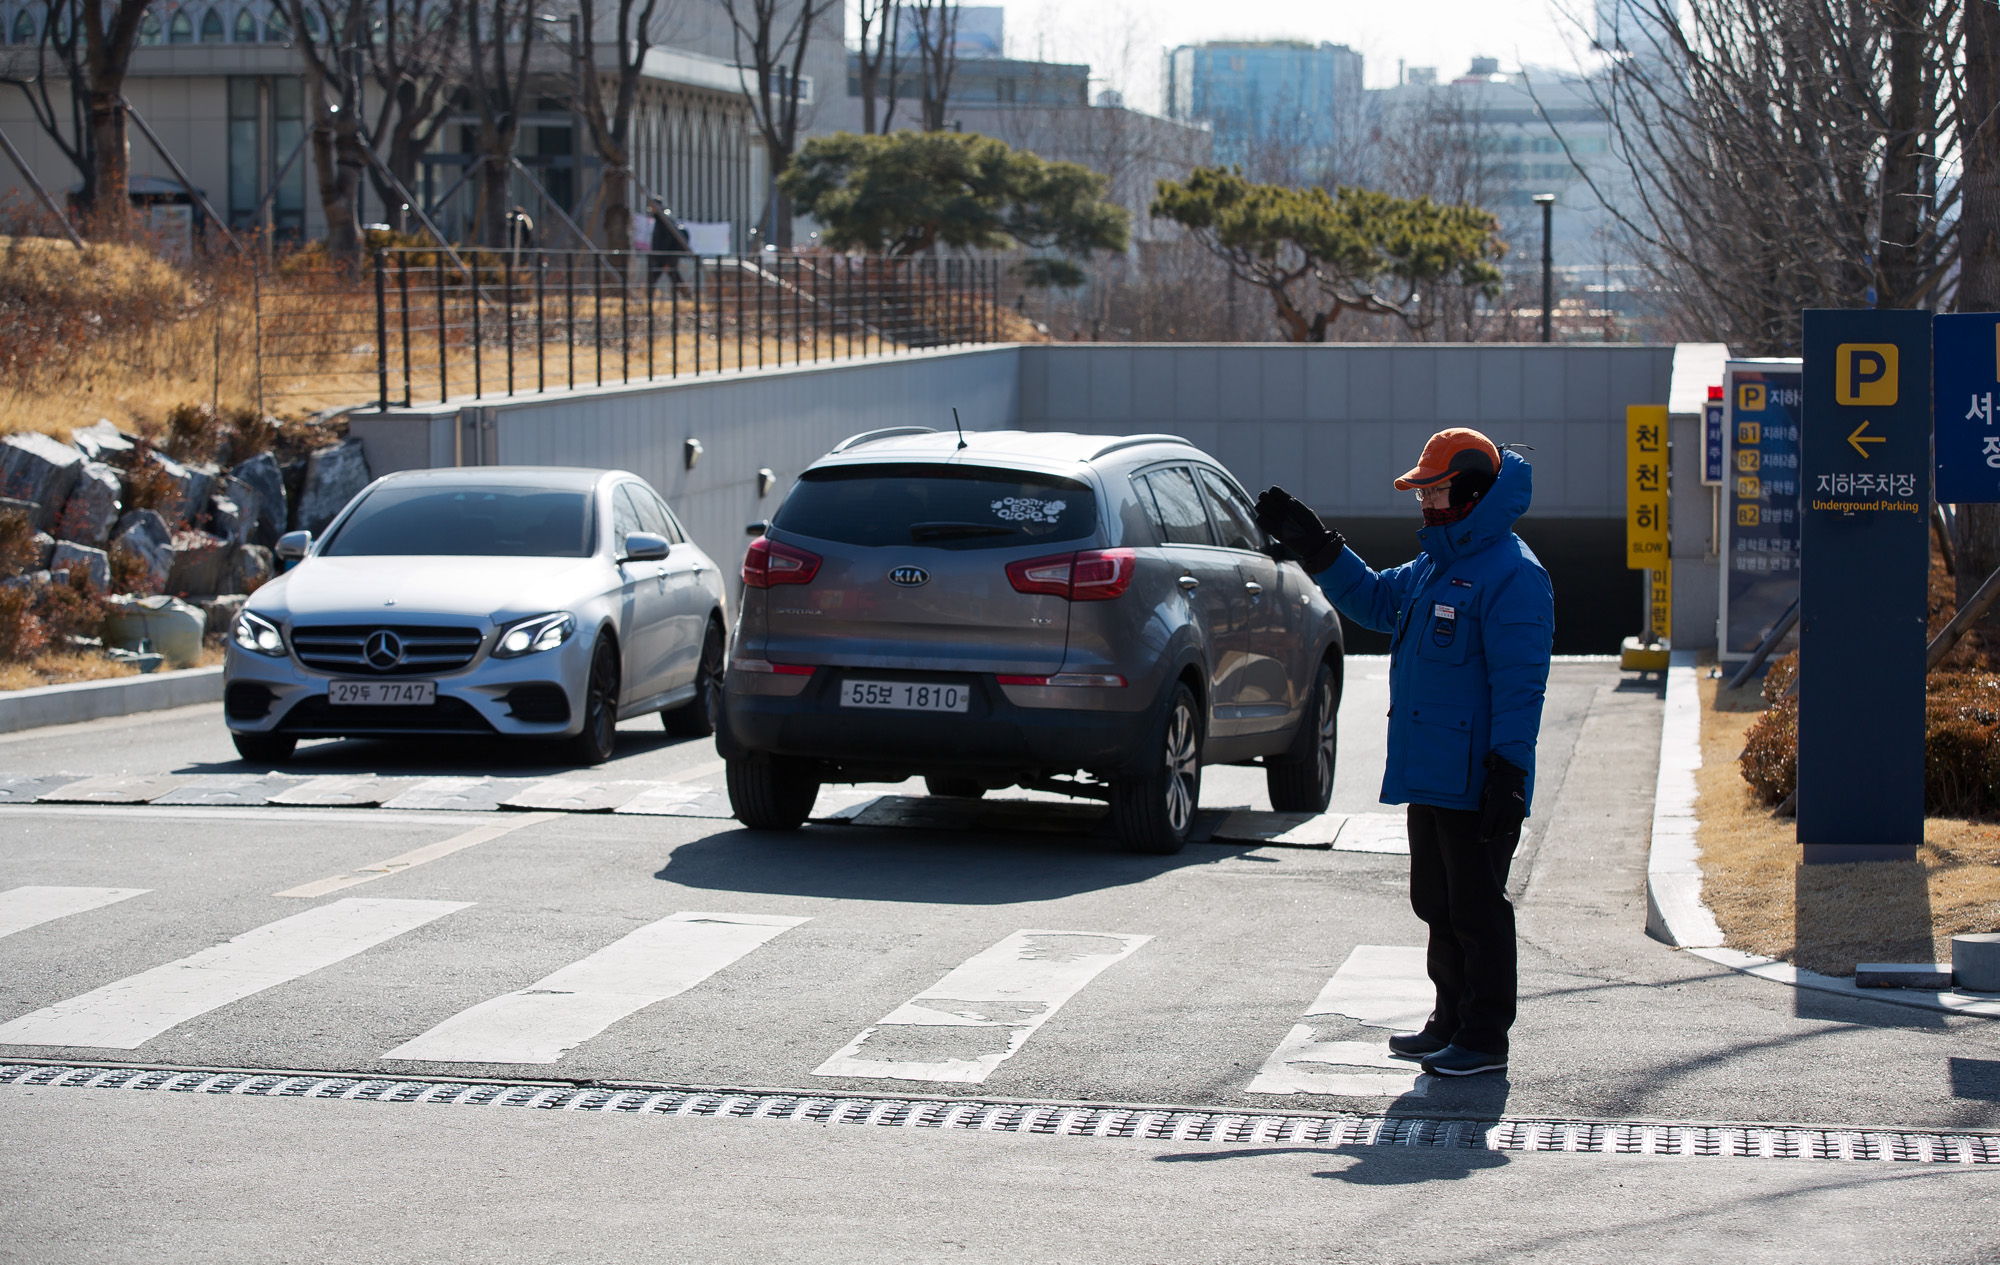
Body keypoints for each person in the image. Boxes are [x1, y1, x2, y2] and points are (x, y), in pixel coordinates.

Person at [1255, 428, 1553, 1078]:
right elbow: (1371, 600)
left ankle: (1483, 1037)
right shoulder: (1434, 567)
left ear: (1472, 492)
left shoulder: (1513, 574)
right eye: (1422, 491)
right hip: (1432, 775)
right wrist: (1316, 545)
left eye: (1436, 490)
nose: (1426, 504)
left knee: (1477, 908)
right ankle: (1449, 1019)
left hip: (1477, 778)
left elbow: (1519, 686)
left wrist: (1509, 772)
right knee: (1437, 902)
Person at [645, 198, 693, 295]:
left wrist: (663, 256)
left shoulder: (663, 218)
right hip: (666, 254)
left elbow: (668, 237)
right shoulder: (662, 217)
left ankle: (649, 300)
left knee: (655, 277)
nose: (649, 209)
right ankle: (686, 295)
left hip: (665, 255)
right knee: (673, 276)